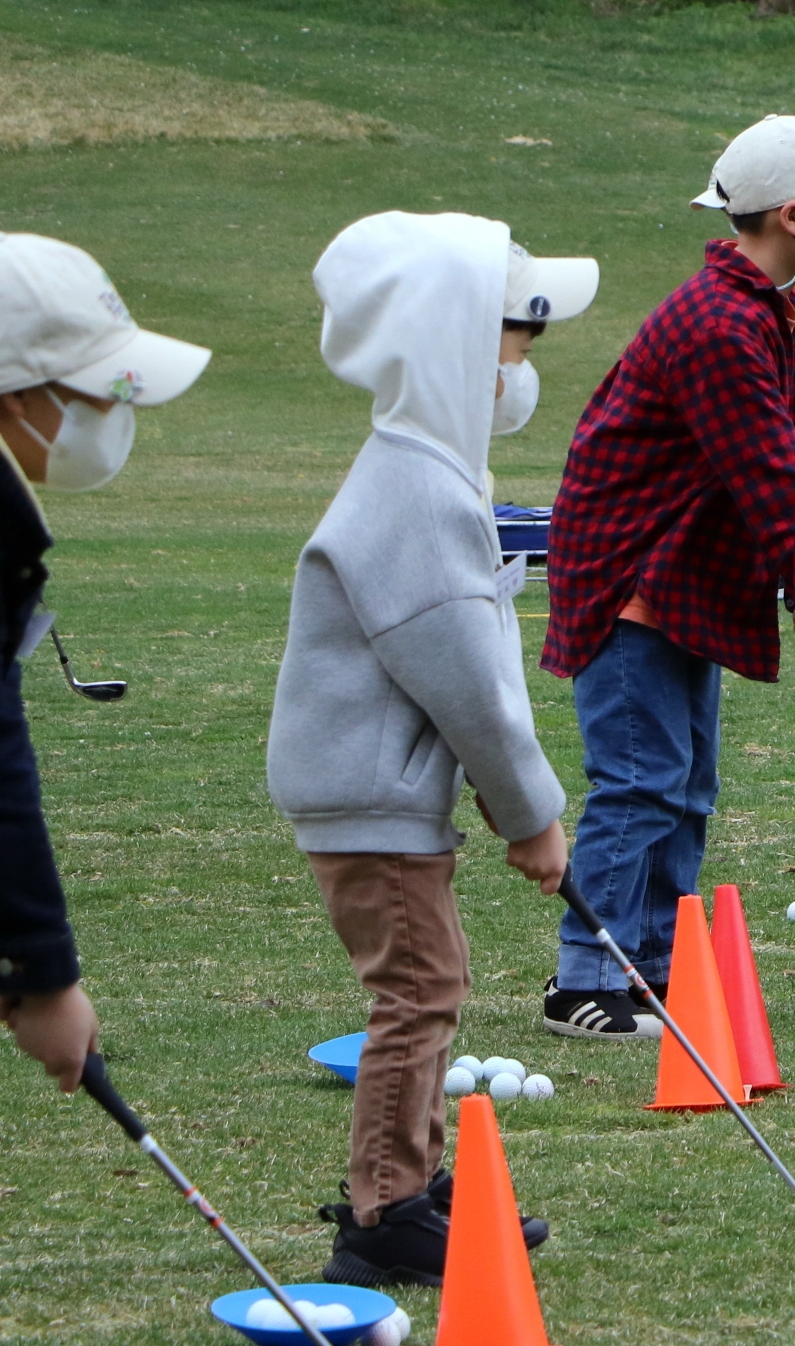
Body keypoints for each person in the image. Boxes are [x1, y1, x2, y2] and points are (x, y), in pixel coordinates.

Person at [270, 214, 594, 1287]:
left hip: (381, 789)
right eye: (517, 339)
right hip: (371, 795)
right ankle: (384, 1213)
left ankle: (412, 1174)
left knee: (430, 980)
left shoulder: (430, 469)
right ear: (456, 341)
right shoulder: (415, 486)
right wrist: (532, 816)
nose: (523, 366)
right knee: (419, 989)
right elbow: (465, 682)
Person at [537, 115, 795, 1037]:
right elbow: (778, 488)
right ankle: (585, 979)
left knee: (687, 783)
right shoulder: (718, 326)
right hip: (629, 576)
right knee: (640, 781)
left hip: (682, 576)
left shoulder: (767, 309)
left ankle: (653, 966)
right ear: (793, 215)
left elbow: (780, 473)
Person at [0, 232, 211, 1090]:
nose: (118, 413)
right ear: (17, 396)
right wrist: (41, 977)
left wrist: (2, 943)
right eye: (101, 391)